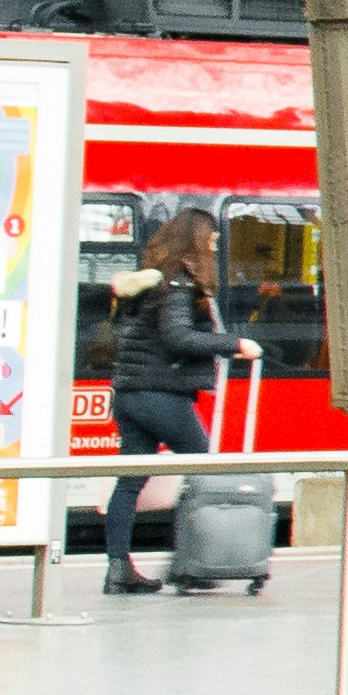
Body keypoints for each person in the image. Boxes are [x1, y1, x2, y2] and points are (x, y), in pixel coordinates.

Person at [107, 210, 230, 593]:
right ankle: (187, 564)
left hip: (129, 393)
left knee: (129, 483)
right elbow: (179, 338)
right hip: (158, 394)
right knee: (203, 469)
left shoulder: (151, 281)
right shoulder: (178, 283)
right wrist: (233, 344)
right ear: (196, 239)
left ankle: (118, 570)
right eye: (211, 237)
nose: (215, 243)